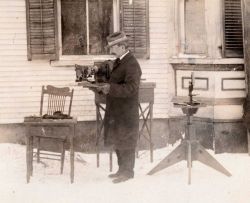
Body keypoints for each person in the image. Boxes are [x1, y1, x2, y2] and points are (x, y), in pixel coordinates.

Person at [93, 31, 142, 183]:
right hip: (117, 109)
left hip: (126, 112)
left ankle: (128, 172)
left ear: (121, 46)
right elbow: (116, 81)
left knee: (126, 141)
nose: (110, 50)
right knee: (118, 140)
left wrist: (110, 88)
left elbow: (131, 88)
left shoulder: (132, 63)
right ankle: (121, 170)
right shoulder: (120, 61)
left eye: (112, 47)